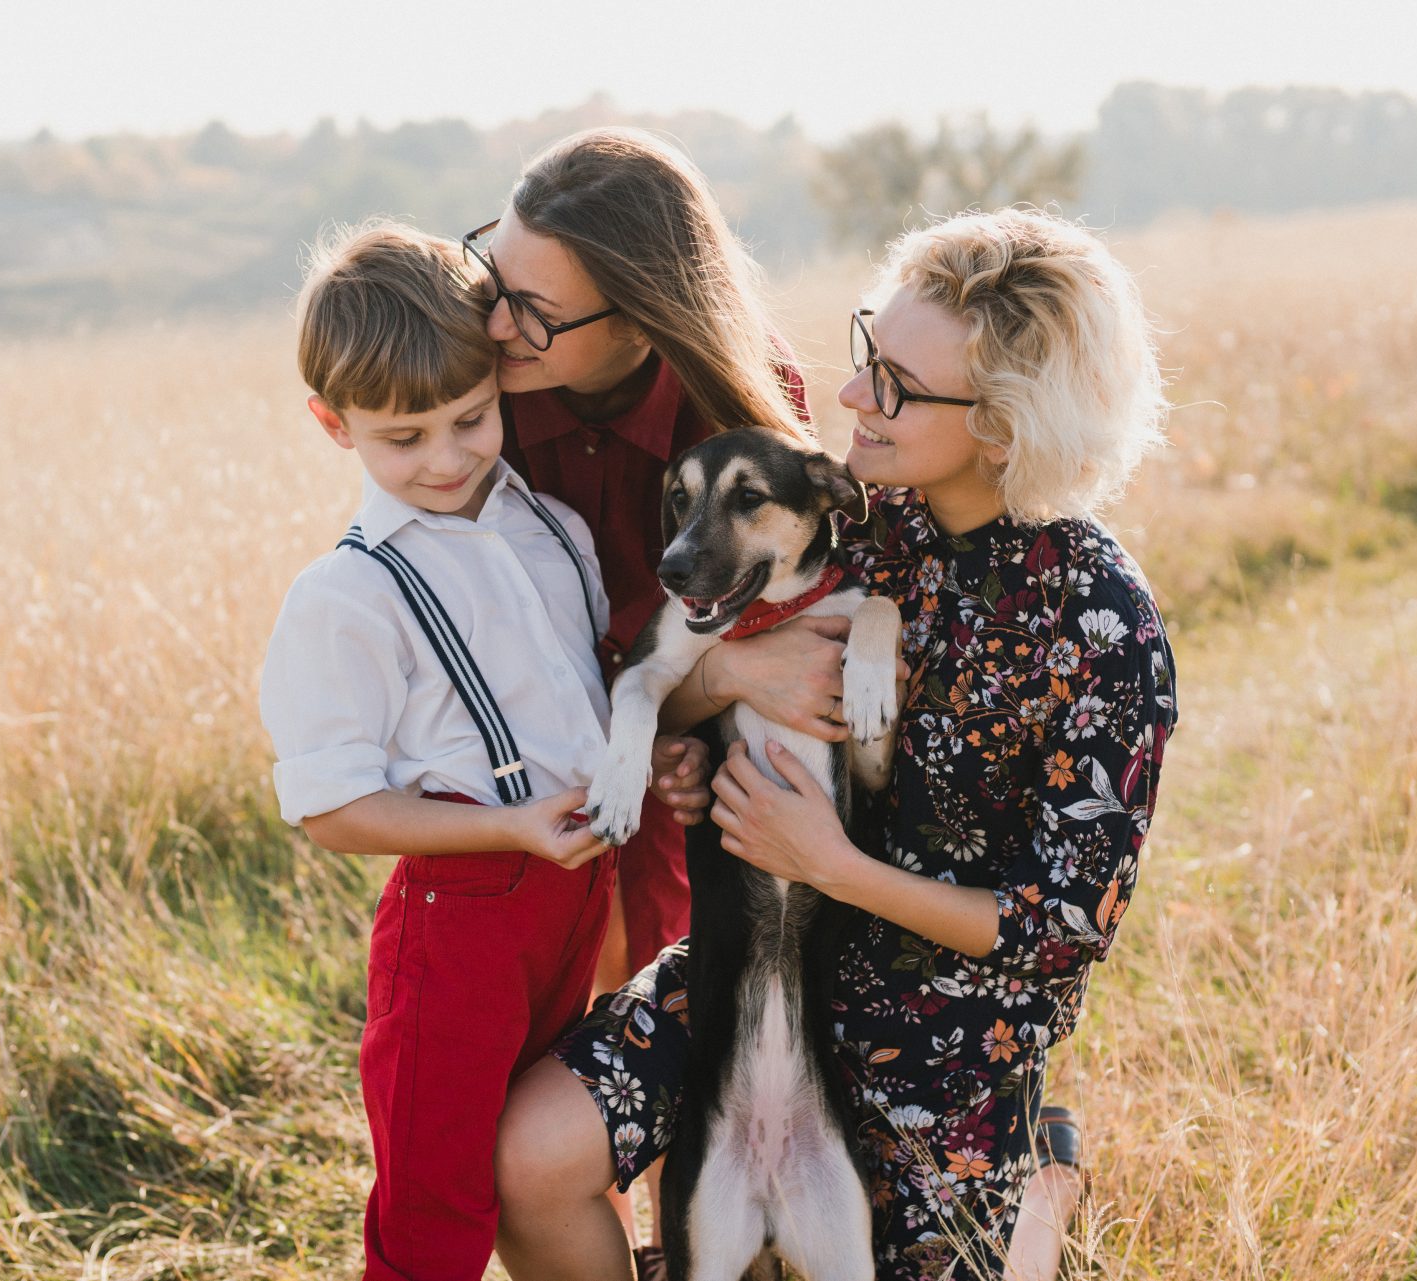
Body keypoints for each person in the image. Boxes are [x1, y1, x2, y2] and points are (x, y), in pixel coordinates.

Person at [495, 208, 1177, 1281]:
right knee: (526, 1160)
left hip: (951, 1037)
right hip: (746, 972)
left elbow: (1059, 933)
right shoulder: (840, 518)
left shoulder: (1103, 625)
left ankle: (1041, 1189)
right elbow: (664, 677)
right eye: (869, 353)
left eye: (897, 385)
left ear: (1003, 423)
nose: (852, 394)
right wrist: (702, 710)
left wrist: (835, 865)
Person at [259, 223, 703, 1281]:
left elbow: (590, 708)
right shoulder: (348, 596)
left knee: (542, 1154)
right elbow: (331, 811)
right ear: (335, 425)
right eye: (403, 438)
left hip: (572, 903)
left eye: (471, 419)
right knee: (435, 1206)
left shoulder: (552, 530)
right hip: (456, 928)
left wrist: (651, 763)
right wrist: (505, 826)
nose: (448, 459)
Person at [466, 129, 845, 1270]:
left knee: (691, 1047)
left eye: (537, 314)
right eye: (496, 279)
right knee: (527, 1083)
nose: (496, 326)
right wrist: (710, 676)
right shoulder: (480, 388)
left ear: (640, 317)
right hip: (529, 760)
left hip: (695, 775)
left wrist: (704, 695)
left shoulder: (743, 402)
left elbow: (800, 651)